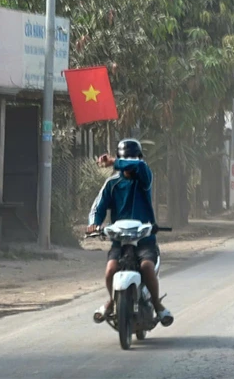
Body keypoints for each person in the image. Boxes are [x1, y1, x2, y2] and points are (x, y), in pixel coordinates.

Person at [87, 138, 173, 327]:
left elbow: (139, 166)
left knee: (147, 267)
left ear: (139, 158)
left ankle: (158, 305)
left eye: (132, 159)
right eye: (124, 159)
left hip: (144, 240)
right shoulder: (112, 184)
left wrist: (113, 162)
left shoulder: (144, 177)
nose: (128, 165)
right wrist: (94, 224)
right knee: (110, 269)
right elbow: (98, 208)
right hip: (120, 241)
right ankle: (111, 300)